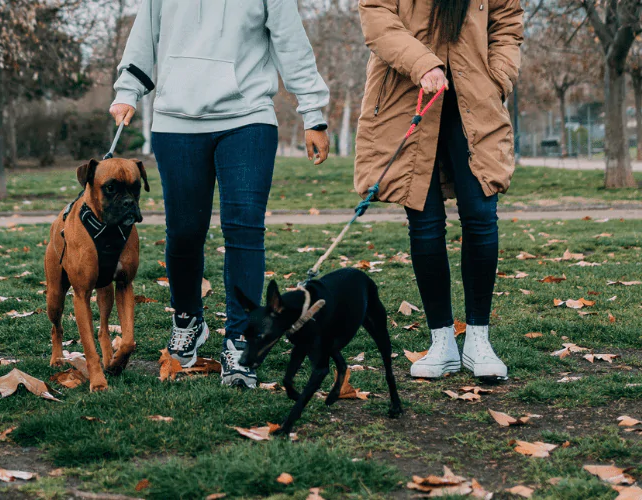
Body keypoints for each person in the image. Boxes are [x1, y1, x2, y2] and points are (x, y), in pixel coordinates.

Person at [110, 0, 331, 389]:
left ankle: (240, 339)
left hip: (247, 118)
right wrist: (128, 90)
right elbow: (144, 35)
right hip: (176, 123)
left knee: (244, 230)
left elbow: (291, 43)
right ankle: (187, 320)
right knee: (184, 233)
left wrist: (312, 111)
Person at [356, 0, 523, 380]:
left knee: (481, 217)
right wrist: (422, 63)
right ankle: (441, 341)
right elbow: (376, 16)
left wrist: (497, 78)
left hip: (475, 101)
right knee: (424, 222)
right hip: (408, 96)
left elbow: (508, 22)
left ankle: (479, 339)